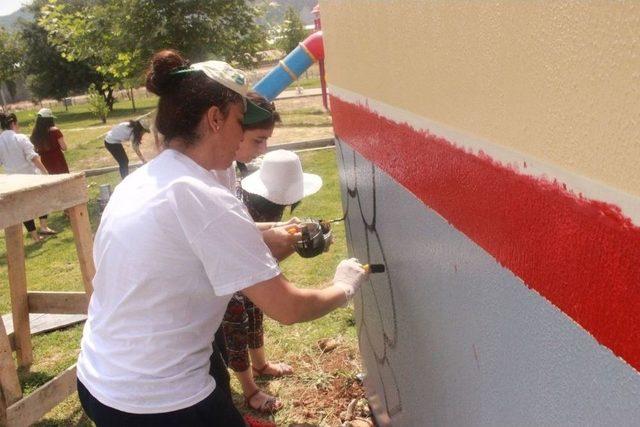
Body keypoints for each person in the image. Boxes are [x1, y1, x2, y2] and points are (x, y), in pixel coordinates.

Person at [76, 49, 368, 426]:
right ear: (215, 119)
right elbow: (289, 308)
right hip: (158, 400)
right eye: (239, 120)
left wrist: (264, 238)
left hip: (100, 378)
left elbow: (188, 251)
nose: (241, 136)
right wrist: (345, 285)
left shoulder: (143, 180)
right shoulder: (203, 197)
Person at [221, 100, 323, 413]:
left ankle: (260, 364)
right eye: (257, 139)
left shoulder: (227, 169)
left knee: (254, 309)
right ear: (231, 128)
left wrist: (280, 229)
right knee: (237, 317)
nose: (262, 149)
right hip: (227, 272)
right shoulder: (214, 175)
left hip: (240, 260)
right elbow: (236, 239)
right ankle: (249, 388)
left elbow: (243, 228)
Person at [0, 112, 56, 241]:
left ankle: (35, 236)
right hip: (30, 177)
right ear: (13, 123)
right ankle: (43, 227)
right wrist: (46, 173)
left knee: (22, 207)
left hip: (12, 180)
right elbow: (34, 158)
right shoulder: (20, 138)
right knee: (42, 199)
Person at [30, 108, 69, 174]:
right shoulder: (55, 131)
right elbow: (64, 147)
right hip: (57, 161)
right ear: (50, 119)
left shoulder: (35, 133)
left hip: (44, 162)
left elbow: (34, 150)